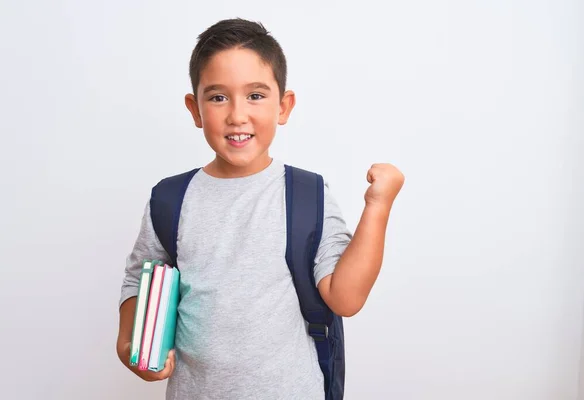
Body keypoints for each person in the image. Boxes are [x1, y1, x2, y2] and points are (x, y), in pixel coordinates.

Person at [116, 17, 405, 399]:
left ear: (283, 106)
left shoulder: (307, 194)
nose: (237, 115)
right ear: (195, 108)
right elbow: (140, 278)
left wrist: (378, 206)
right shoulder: (170, 199)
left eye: (256, 95)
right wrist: (129, 346)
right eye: (218, 97)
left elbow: (345, 297)